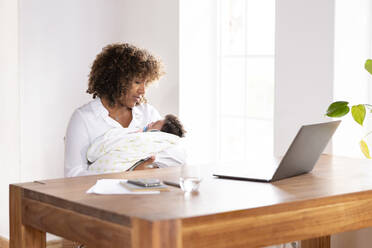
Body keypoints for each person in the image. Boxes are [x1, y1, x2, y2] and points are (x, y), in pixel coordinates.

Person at [64, 43, 166, 177]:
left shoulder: (148, 113)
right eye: (137, 82)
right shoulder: (84, 118)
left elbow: (173, 156)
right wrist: (129, 173)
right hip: (102, 197)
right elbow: (73, 175)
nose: (142, 90)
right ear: (115, 80)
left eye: (145, 83)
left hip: (145, 195)